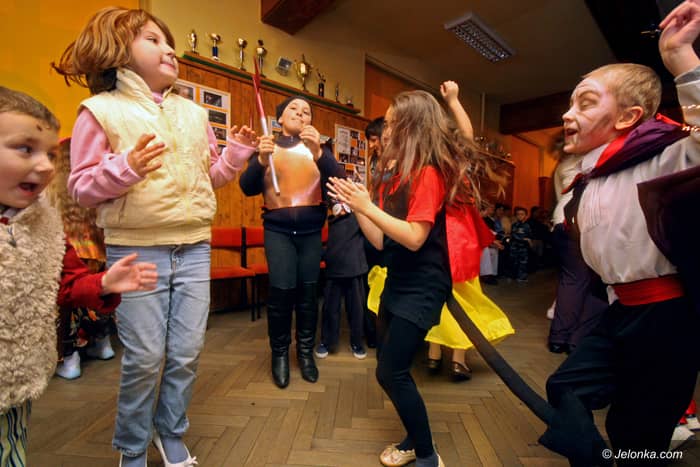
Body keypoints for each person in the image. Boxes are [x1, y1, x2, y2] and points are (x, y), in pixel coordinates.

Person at [53, 7, 257, 466]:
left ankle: (170, 431)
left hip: (195, 246)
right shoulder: (101, 111)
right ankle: (131, 447)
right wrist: (126, 168)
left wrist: (236, 155)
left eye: (170, 43)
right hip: (136, 250)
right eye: (153, 40)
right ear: (118, 50)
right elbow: (80, 187)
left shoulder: (193, 113)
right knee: (145, 357)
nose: (169, 50)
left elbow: (210, 177)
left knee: (186, 351)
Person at [541, 2, 700, 464]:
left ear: (628, 117)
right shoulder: (591, 174)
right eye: (571, 103)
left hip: (668, 318)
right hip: (621, 310)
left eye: (586, 102)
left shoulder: (666, 156)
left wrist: (681, 58)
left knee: (638, 431)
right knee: (566, 387)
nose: (567, 114)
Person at [328, 89, 489, 467]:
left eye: (391, 123)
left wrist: (367, 206)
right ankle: (415, 440)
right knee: (389, 370)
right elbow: (380, 241)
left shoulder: (428, 173)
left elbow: (416, 238)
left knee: (392, 371)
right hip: (398, 279)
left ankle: (428, 456)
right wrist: (358, 206)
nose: (385, 131)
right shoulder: (393, 175)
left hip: (425, 284)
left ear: (412, 126)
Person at [0, 85, 157, 467]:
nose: (45, 166)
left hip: (14, 384)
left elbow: (66, 282)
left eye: (50, 155)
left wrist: (102, 283)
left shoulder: (43, 224)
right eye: (25, 149)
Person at [239, 95, 342, 389]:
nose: (300, 113)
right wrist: (260, 161)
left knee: (308, 296)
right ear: (280, 118)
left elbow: (339, 181)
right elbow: (246, 188)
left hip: (311, 233)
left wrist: (320, 153)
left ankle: (305, 354)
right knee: (281, 295)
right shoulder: (267, 147)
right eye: (293, 109)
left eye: (306, 111)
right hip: (278, 232)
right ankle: (280, 354)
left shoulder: (319, 150)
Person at [425, 80, 514, 382]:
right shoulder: (453, 163)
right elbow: (466, 135)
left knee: (438, 295)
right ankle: (457, 360)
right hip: (458, 237)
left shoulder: (426, 161)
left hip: (435, 235)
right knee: (463, 297)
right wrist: (453, 100)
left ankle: (434, 354)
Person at [48, 137, 117, 380]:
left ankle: (70, 357)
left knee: (70, 304)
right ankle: (103, 342)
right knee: (98, 295)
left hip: (71, 251)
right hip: (98, 248)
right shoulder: (92, 185)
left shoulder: (53, 192)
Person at [546, 133, 607, 354]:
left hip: (561, 221)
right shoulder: (597, 156)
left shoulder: (561, 166)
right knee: (598, 281)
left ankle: (558, 337)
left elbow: (559, 195)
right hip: (585, 222)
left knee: (571, 280)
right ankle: (576, 339)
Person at [315, 199, 369, 360]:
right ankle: (327, 342)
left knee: (357, 309)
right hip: (334, 267)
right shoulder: (331, 218)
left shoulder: (359, 217)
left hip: (355, 267)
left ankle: (357, 342)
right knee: (330, 308)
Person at [509, 207, 532, 282]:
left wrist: (528, 239)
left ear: (526, 215)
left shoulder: (527, 225)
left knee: (523, 263)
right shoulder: (514, 225)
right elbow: (514, 235)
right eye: (518, 214)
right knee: (514, 262)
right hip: (514, 247)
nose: (520, 216)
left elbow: (529, 235)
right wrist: (524, 239)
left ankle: (521, 277)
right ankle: (513, 276)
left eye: (522, 214)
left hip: (523, 248)